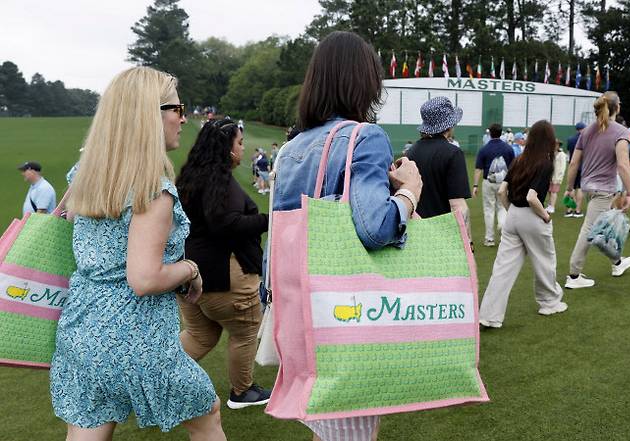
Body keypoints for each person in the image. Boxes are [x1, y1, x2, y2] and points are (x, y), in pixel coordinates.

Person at [50, 67, 227, 440]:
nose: (183, 118)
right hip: (137, 339)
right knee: (206, 412)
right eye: (177, 109)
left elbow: (65, 224)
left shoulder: (85, 175)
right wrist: (191, 269)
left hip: (81, 333)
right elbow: (144, 279)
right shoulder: (153, 191)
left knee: (87, 431)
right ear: (149, 114)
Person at [272, 31, 422, 441]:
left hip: (302, 315)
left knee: (328, 428)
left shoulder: (292, 147)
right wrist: (409, 190)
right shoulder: (365, 137)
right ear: (364, 80)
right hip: (347, 316)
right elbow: (374, 228)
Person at [176, 119, 272, 410]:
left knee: (200, 335)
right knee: (245, 332)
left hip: (187, 273)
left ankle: (154, 376)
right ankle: (242, 391)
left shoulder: (191, 177)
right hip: (222, 277)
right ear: (227, 150)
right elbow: (225, 223)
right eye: (239, 143)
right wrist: (270, 220)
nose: (242, 149)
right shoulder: (220, 182)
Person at [479, 120, 567, 328]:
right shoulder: (545, 163)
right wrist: (545, 215)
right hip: (532, 216)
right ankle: (549, 302)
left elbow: (502, 191)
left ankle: (488, 315)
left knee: (502, 269)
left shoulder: (519, 159)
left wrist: (511, 212)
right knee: (545, 261)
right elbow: (532, 197)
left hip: (513, 216)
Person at [564, 91, 630, 289]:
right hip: (603, 190)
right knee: (590, 230)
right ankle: (574, 276)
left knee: (605, 228)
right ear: (617, 107)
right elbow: (623, 165)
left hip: (590, 189)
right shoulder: (620, 131)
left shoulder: (586, 132)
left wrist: (570, 188)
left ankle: (617, 262)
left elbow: (573, 163)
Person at [406, 96, 471, 234]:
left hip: (415, 231)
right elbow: (458, 206)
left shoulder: (410, 153)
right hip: (443, 235)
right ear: (449, 125)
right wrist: (468, 243)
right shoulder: (453, 153)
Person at [472, 123, 515, 246]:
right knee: (502, 207)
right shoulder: (508, 148)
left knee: (488, 209)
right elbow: (513, 168)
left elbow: (478, 169)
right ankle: (502, 227)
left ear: (490, 133)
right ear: (501, 132)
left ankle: (489, 238)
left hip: (488, 182)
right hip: (504, 183)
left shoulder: (484, 149)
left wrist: (475, 185)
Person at [565, 122, 586, 218]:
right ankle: (577, 211)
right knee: (580, 188)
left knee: (571, 187)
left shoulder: (570, 139)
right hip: (583, 166)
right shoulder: (586, 139)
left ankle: (569, 210)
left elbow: (569, 151)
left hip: (572, 165)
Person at [546, 140, 567, 214]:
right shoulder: (549, 154)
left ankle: (552, 207)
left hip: (557, 177)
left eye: (556, 145)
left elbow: (563, 167)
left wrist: (560, 177)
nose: (554, 146)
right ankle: (549, 205)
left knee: (553, 192)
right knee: (549, 191)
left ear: (558, 145)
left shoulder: (562, 154)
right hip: (549, 176)